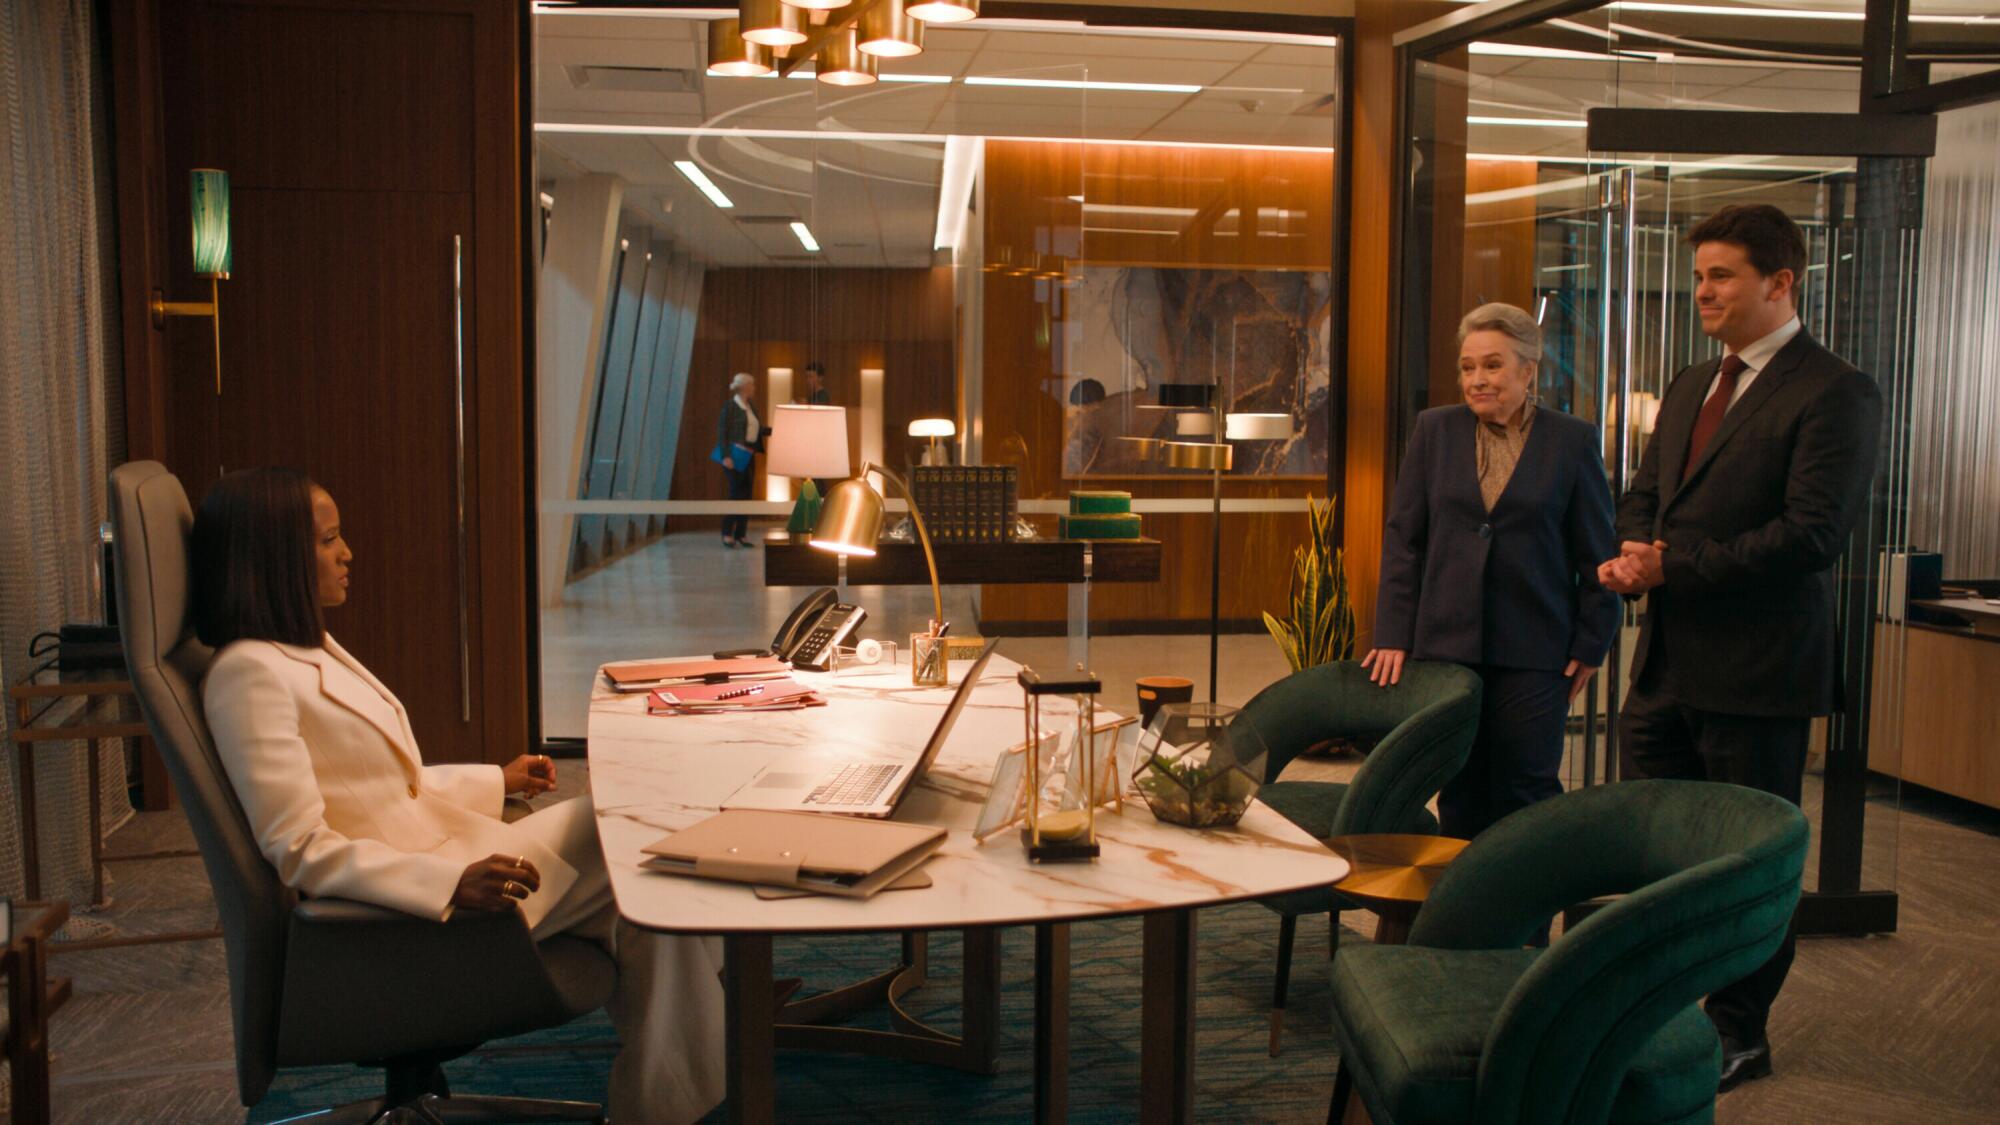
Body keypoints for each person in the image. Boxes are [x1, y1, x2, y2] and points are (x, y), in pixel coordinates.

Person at [193, 468, 726, 1123]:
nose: (347, 552)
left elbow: (387, 786)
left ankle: (686, 1066)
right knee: (644, 853)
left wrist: (494, 780)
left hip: (459, 851)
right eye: (329, 539)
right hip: (416, 914)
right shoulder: (248, 675)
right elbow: (299, 847)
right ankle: (698, 1056)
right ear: (274, 556)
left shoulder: (305, 649)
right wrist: (445, 882)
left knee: (641, 860)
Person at [1599, 204, 1881, 1092]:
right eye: (1698, 277)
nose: (1702, 293)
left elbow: (1811, 536)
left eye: (1720, 276)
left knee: (1749, 862)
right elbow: (1648, 492)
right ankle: (1659, 1007)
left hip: (1759, 675)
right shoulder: (1690, 383)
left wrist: (1673, 567)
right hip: (1667, 666)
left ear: (1780, 281)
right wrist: (1637, 550)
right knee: (1655, 848)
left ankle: (1738, 1030)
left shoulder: (1835, 390)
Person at [1365, 302, 1620, 849]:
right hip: (1447, 644)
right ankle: (1459, 920)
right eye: (1467, 367)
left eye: (1493, 365)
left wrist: (1593, 640)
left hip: (1536, 647)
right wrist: (1392, 632)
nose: (1477, 380)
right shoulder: (1434, 431)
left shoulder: (1571, 441)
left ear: (1528, 370)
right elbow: (1404, 539)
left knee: (1526, 787)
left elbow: (1596, 552)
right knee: (1458, 788)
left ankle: (1525, 925)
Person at [716, 371, 761, 548]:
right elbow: (722, 432)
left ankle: (741, 534)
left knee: (747, 495)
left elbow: (756, 429)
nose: (754, 388)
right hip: (734, 454)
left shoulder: (750, 406)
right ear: (745, 387)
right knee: (736, 493)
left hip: (749, 454)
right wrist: (726, 456)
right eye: (752, 385)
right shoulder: (730, 406)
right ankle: (727, 533)